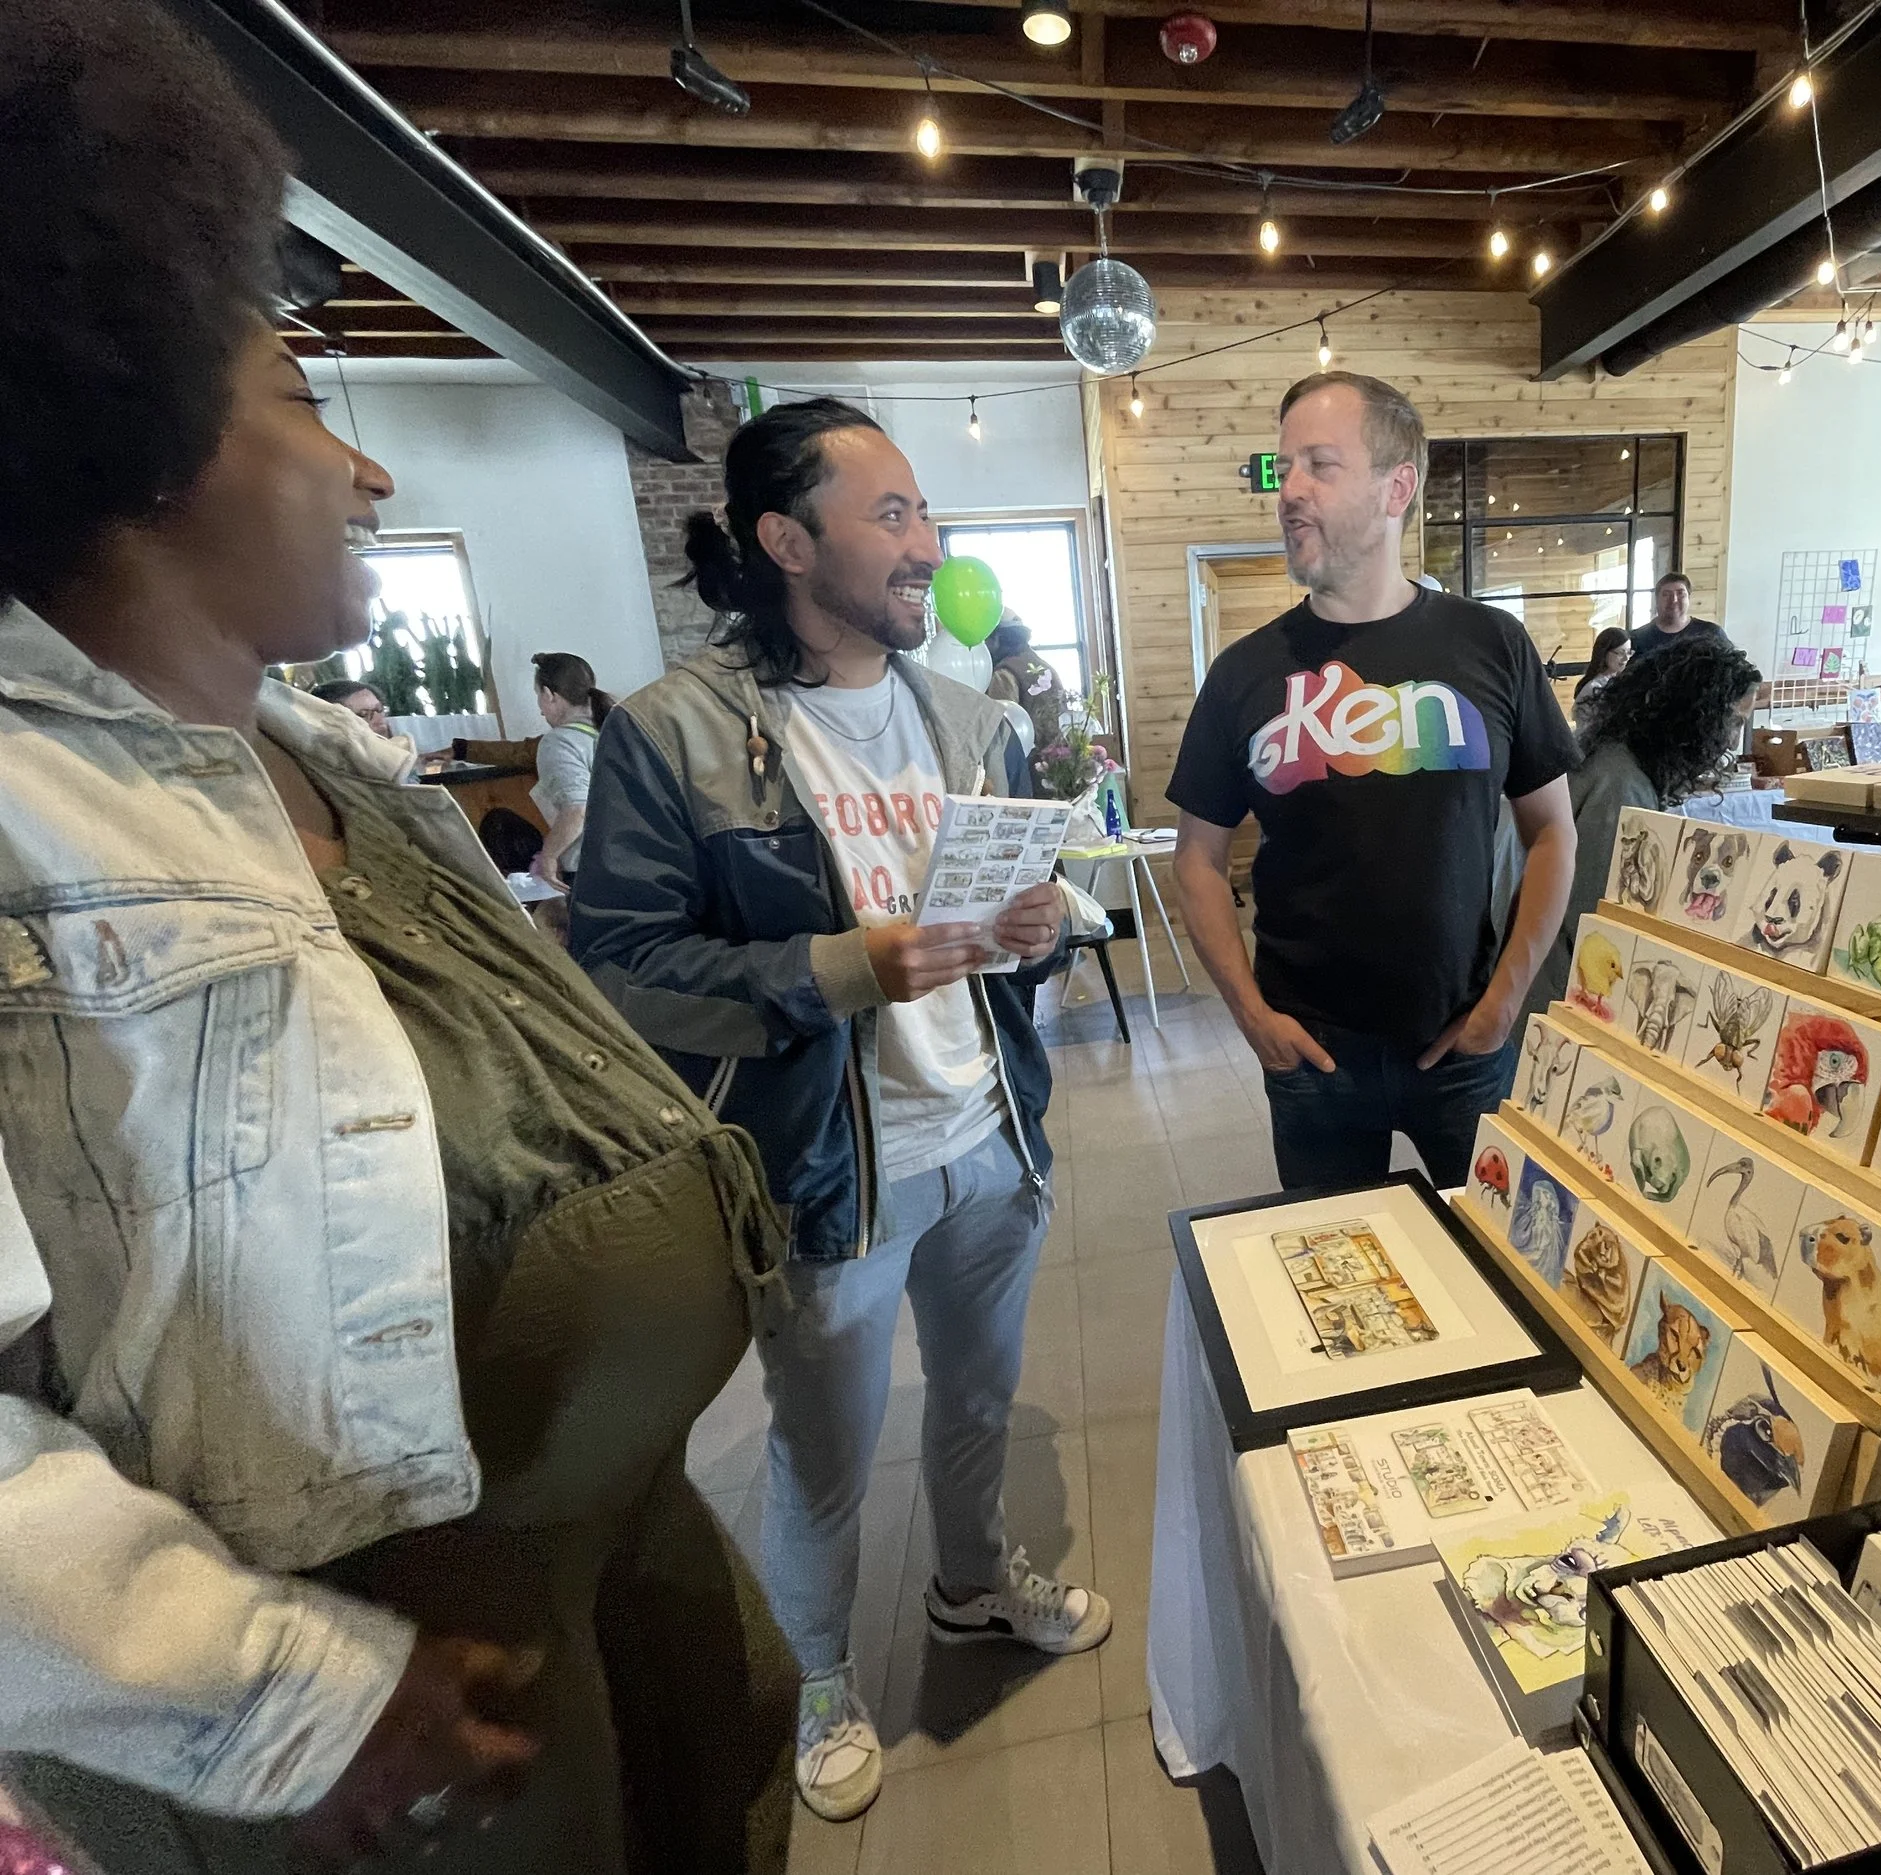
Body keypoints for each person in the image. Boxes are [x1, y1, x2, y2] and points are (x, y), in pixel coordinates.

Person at [0, 5, 797, 1870]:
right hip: (374, 1708)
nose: (363, 473)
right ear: (138, 426)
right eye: (299, 399)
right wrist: (273, 1685)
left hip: (588, 1586)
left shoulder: (321, 754)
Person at [567, 397, 1108, 1827]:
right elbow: (616, 969)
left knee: (981, 1400)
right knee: (821, 1453)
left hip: (987, 1133)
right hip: (826, 1173)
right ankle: (813, 1670)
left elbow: (1001, 922)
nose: (927, 544)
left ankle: (973, 1579)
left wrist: (1040, 925)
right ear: (786, 538)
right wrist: (833, 968)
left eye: (925, 513)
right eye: (893, 516)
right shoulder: (672, 732)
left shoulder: (959, 717)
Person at [1166, 372, 1579, 1190]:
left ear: (1399, 488)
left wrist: (1506, 1000)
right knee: (1337, 1297)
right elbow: (1196, 858)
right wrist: (1252, 1017)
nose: (1289, 491)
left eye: (1320, 464)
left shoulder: (1491, 644)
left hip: (1464, 1042)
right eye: (1283, 468)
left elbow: (1553, 831)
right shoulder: (1244, 672)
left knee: (1495, 1277)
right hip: (1313, 1058)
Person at [1517, 634, 1765, 1033]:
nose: (1734, 739)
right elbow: (1592, 913)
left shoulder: (1622, 765)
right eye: (1733, 721)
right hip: (1555, 996)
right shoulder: (1621, 784)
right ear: (1695, 714)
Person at [528, 650, 613, 886]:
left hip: (597, 872)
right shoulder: (615, 729)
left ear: (549, 694)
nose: (540, 709)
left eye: (538, 695)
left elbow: (577, 808)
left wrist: (549, 856)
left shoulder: (560, 741)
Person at [1626, 571, 1730, 662]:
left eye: (1680, 594)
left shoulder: (1712, 633)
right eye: (1666, 594)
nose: (1674, 600)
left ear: (1689, 598)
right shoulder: (1636, 639)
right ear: (1656, 600)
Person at [984, 616, 1060, 730]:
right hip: (1060, 746)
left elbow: (1002, 728)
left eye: (986, 639)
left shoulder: (1004, 674)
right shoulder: (1047, 668)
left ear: (997, 639)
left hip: (1028, 747)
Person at [1574, 626, 1631, 714]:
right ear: (1604, 653)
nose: (1626, 658)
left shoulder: (1623, 681)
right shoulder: (1593, 688)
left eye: (1629, 652)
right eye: (1620, 653)